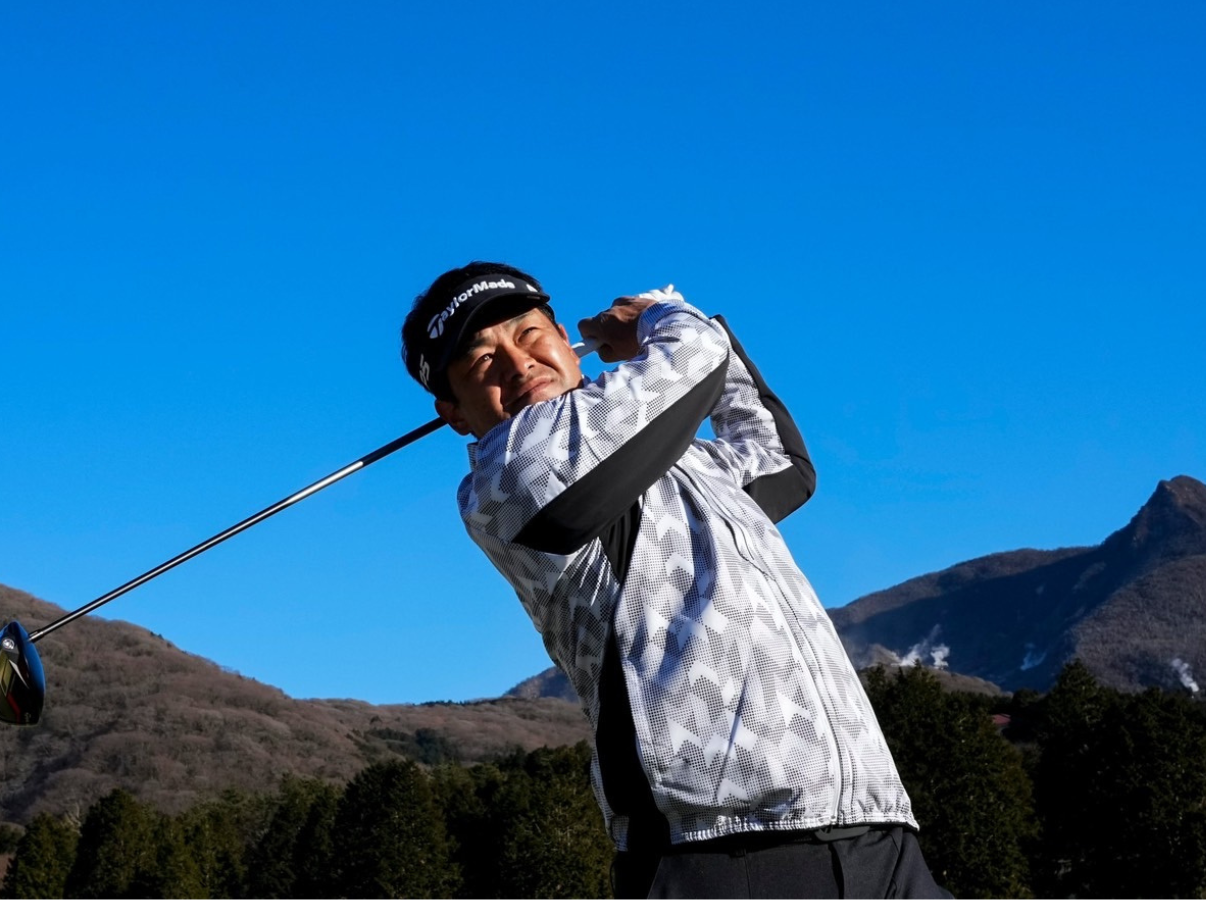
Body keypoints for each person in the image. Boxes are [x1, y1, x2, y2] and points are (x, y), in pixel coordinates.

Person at [401, 261, 947, 899]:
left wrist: (709, 338)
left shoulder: (688, 463)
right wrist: (660, 317)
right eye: (481, 362)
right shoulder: (512, 477)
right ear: (452, 412)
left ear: (565, 341)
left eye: (529, 335)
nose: (518, 365)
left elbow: (780, 462)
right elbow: (693, 357)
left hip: (876, 834)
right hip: (721, 854)